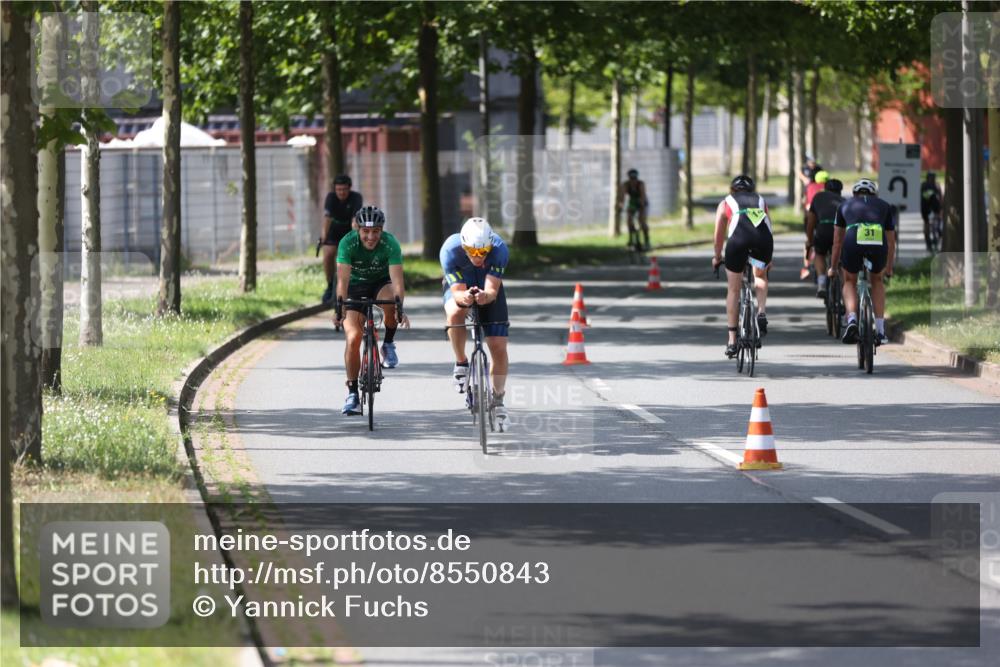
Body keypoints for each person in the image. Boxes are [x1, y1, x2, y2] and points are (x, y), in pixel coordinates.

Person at [334, 206, 409, 415]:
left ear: (381, 230)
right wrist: (339, 308)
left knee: (391, 304)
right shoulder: (347, 243)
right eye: (366, 231)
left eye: (375, 231)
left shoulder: (390, 243)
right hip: (354, 287)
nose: (370, 236)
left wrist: (399, 306)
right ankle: (352, 394)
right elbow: (342, 280)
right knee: (353, 337)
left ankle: (388, 344)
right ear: (358, 229)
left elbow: (397, 281)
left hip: (380, 283)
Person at [440, 217, 510, 427]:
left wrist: (485, 297)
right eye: (472, 251)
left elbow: (491, 290)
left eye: (483, 251)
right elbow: (458, 293)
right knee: (454, 313)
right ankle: (461, 362)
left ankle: (498, 400)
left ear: (490, 246)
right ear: (463, 246)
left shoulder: (499, 249)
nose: (478, 257)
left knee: (498, 345)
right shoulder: (449, 250)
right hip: (461, 288)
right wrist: (466, 299)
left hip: (487, 287)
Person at [712, 175, 773, 359]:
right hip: (763, 241)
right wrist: (769, 257)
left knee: (733, 288)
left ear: (732, 190)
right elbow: (769, 227)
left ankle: (732, 340)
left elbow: (718, 235)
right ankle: (761, 312)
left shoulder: (726, 202)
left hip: (738, 241)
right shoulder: (761, 201)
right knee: (760, 276)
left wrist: (717, 257)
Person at [829, 179, 896, 346]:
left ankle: (852, 319)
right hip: (878, 242)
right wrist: (888, 268)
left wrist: (833, 266)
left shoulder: (844, 205)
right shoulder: (884, 205)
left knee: (850, 280)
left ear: (854, 194)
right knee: (877, 280)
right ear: (874, 194)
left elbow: (837, 241)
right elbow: (892, 242)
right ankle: (880, 331)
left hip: (853, 240)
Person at [321, 175, 364, 304]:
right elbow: (327, 218)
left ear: (349, 188)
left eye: (344, 189)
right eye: (338, 189)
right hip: (334, 230)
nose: (341, 192)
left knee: (353, 256)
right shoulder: (331, 197)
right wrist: (323, 237)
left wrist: (354, 237)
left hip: (349, 229)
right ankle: (329, 286)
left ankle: (353, 285)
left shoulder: (356, 197)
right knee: (328, 254)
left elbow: (355, 221)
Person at [806, 178, 845, 299]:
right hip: (838, 232)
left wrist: (810, 239)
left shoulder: (818, 197)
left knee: (820, 253)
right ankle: (844, 290)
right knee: (841, 260)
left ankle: (821, 282)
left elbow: (811, 221)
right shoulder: (844, 201)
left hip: (823, 228)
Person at [616, 168, 650, 251]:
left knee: (642, 221)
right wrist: (620, 207)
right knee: (629, 220)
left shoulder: (641, 184)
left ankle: (646, 240)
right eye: (631, 179)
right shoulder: (626, 185)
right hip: (633, 202)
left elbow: (643, 196)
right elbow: (622, 198)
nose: (633, 181)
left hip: (642, 202)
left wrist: (641, 206)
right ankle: (631, 239)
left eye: (634, 179)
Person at [919, 171, 943, 252]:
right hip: (935, 208)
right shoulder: (936, 185)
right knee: (935, 224)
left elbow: (921, 197)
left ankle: (928, 242)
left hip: (925, 208)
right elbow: (940, 197)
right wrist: (941, 209)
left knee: (926, 225)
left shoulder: (923, 185)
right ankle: (935, 240)